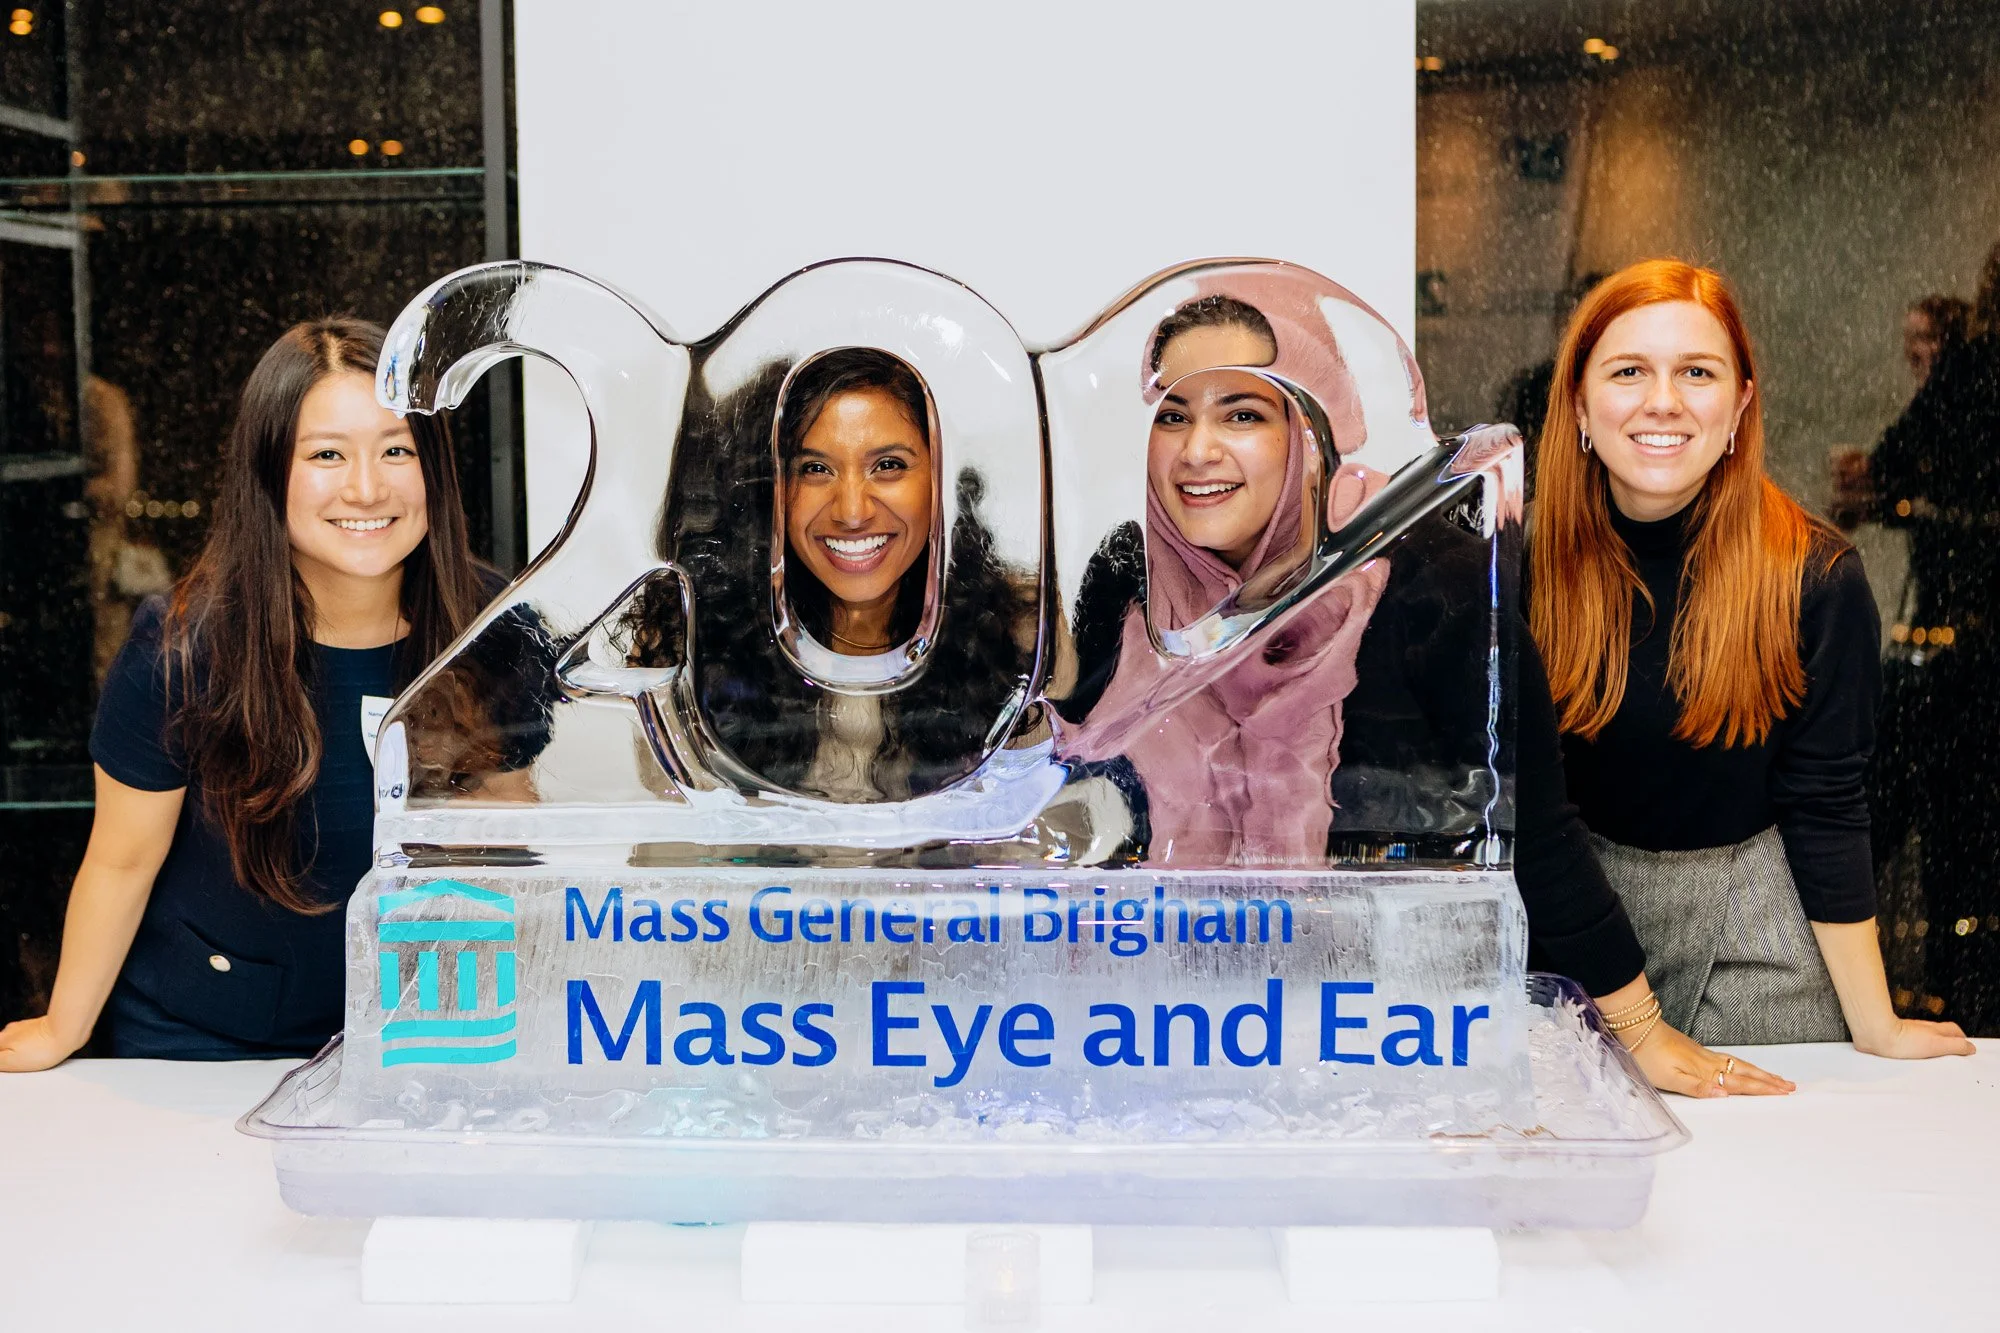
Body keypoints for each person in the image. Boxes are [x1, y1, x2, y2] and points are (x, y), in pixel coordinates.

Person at [0, 318, 496, 1069]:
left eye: (396, 449)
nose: (367, 488)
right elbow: (122, 860)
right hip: (206, 1043)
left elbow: (524, 858)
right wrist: (62, 1027)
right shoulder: (180, 646)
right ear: (268, 470)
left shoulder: (495, 630)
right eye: (326, 454)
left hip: (425, 1039)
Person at [1530, 258, 1973, 1060]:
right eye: (1629, 371)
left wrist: (1877, 1023)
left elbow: (1826, 804)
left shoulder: (1817, 578)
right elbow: (1524, 812)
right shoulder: (1514, 569)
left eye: (1697, 372)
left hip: (1755, 933)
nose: (1663, 400)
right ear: (1580, 406)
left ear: (1739, 405)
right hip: (1567, 923)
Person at [629, 347, 1033, 802]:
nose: (852, 512)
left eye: (888, 465)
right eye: (815, 469)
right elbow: (679, 829)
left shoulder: (1018, 633)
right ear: (770, 486)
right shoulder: (686, 640)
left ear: (941, 477)